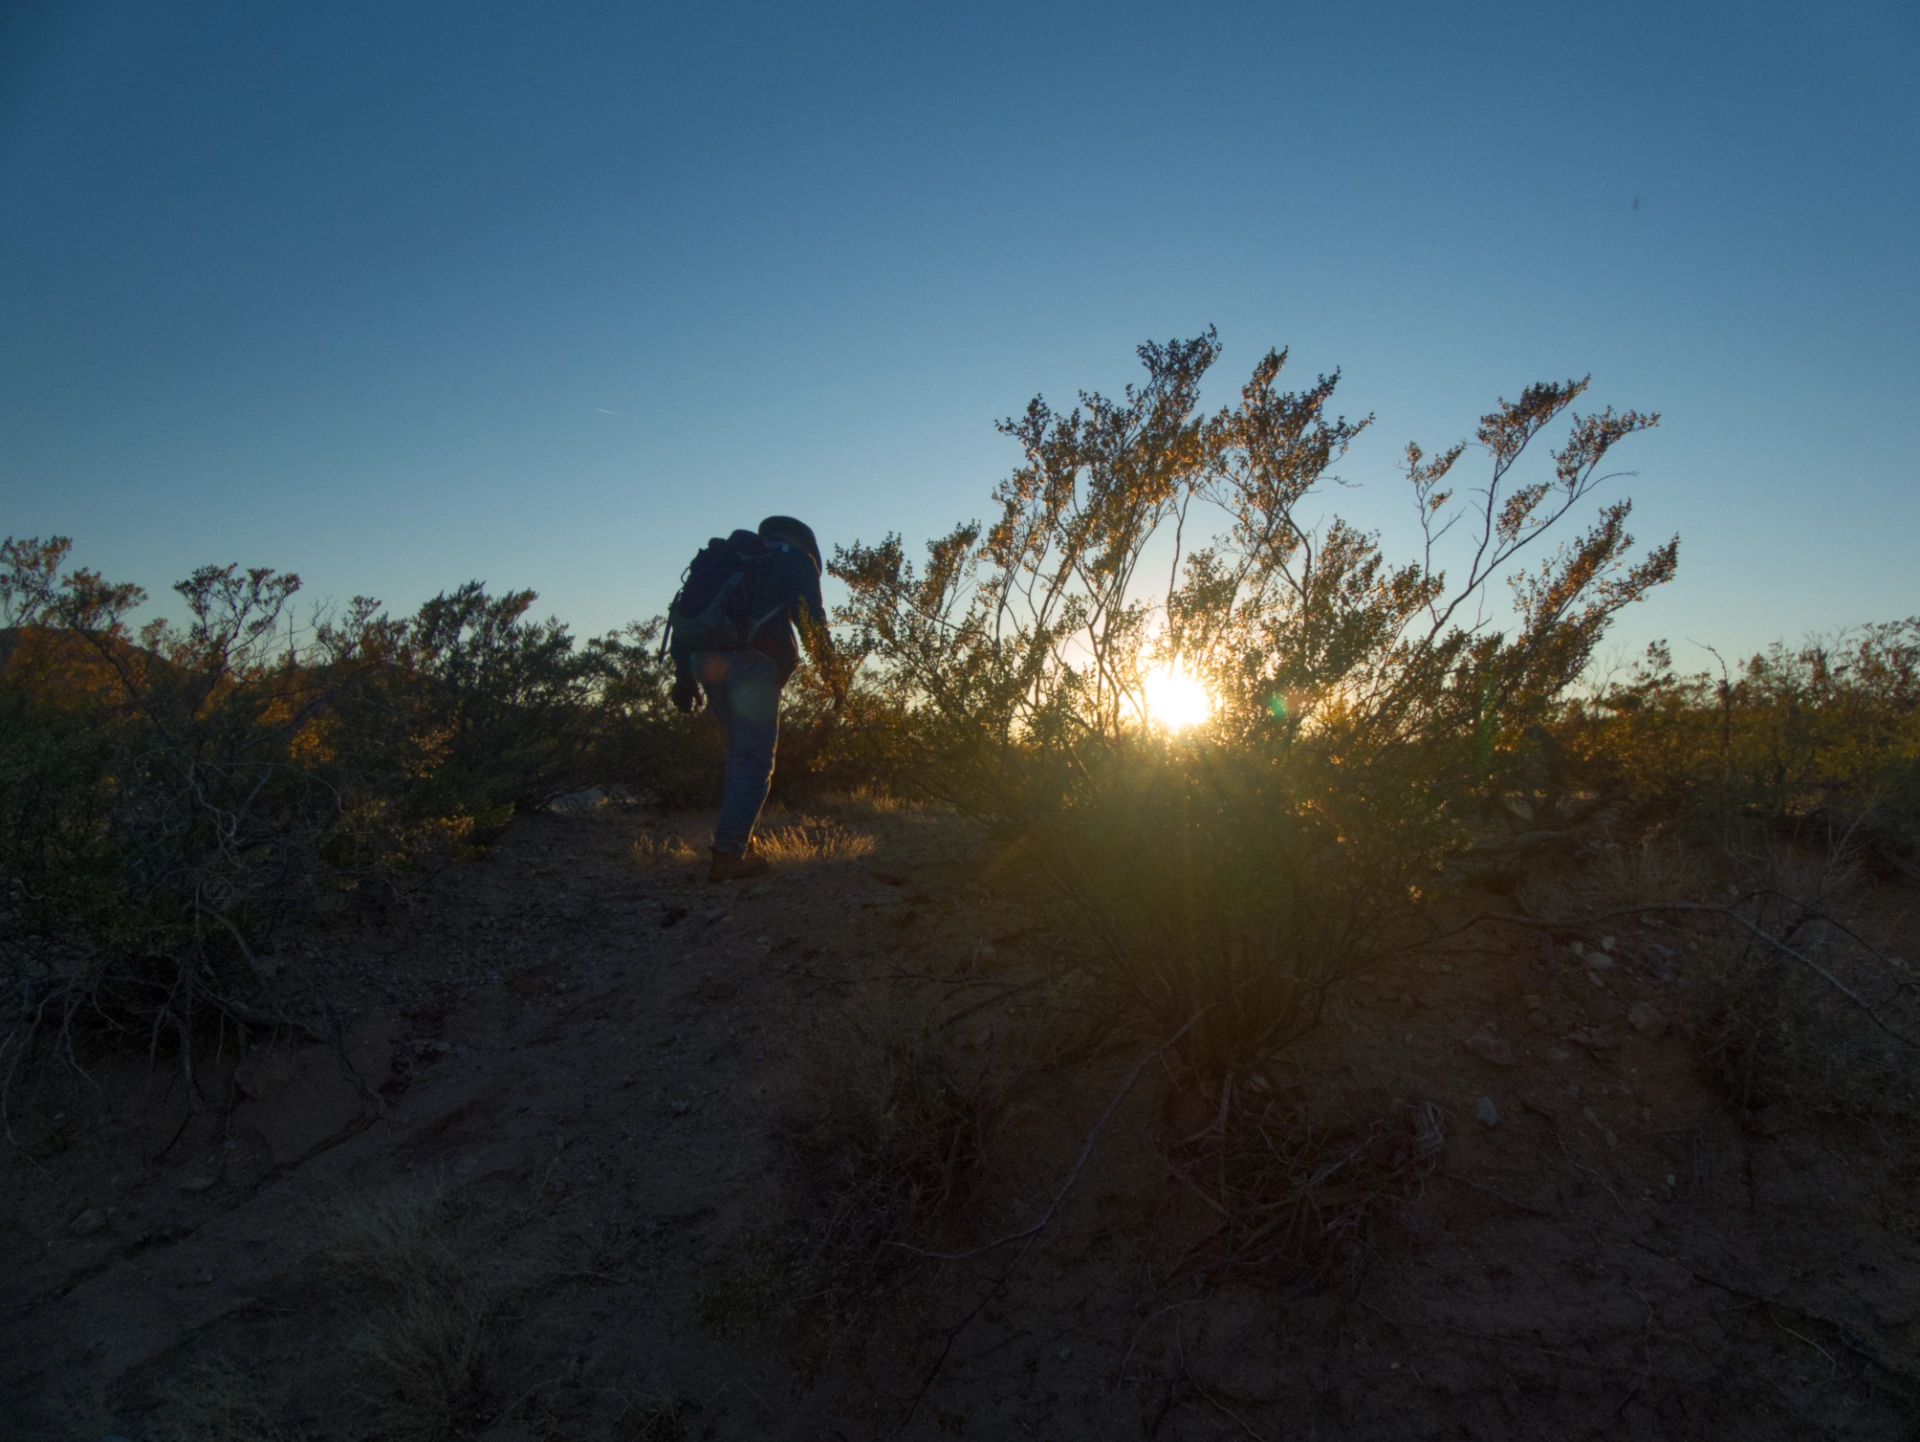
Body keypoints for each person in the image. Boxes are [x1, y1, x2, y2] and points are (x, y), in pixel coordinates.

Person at [668, 515, 842, 881]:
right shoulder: (794, 560)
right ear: (804, 542)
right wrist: (834, 678)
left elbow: (684, 613)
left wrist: (684, 678)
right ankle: (729, 855)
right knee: (754, 759)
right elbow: (811, 622)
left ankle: (738, 842)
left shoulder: (728, 560)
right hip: (753, 662)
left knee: (739, 751)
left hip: (705, 661)